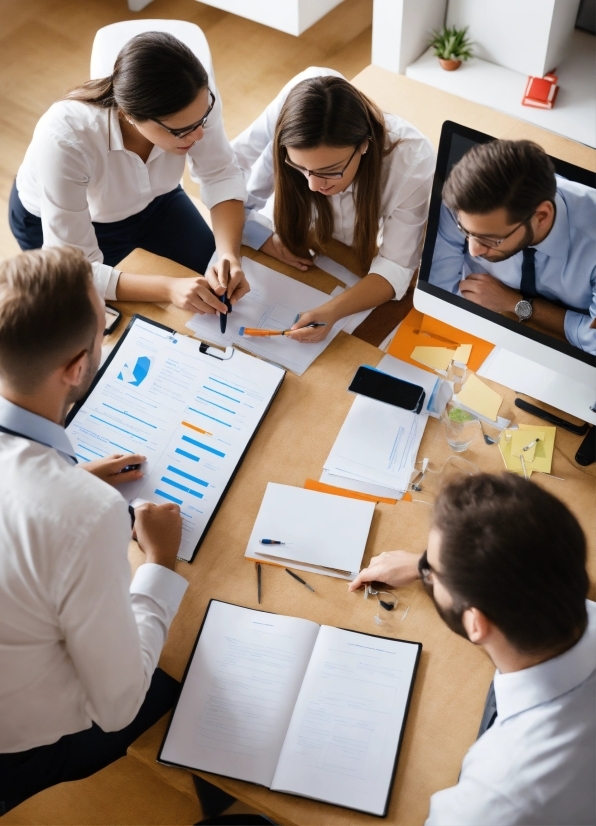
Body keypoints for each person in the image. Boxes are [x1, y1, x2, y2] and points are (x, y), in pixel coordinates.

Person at [0, 247, 189, 812]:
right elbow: (117, 704)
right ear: (78, 368)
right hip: (14, 750)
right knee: (180, 674)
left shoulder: (67, 500)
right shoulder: (86, 514)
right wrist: (158, 565)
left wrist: (62, 477)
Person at [350, 473, 595, 826]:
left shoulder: (492, 801)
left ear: (476, 625)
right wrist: (440, 569)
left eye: (431, 572)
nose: (425, 571)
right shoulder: (565, 593)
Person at [9, 32, 249, 318]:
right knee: (124, 320)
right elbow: (78, 270)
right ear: (128, 114)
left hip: (156, 200)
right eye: (181, 131)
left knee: (213, 284)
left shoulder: (195, 101)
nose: (199, 135)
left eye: (202, 121)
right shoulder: (65, 138)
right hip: (66, 221)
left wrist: (228, 256)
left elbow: (220, 174)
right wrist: (167, 288)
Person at [232, 67, 435, 342]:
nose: (314, 185)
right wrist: (262, 238)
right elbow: (229, 178)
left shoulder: (413, 162)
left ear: (364, 145)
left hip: (355, 258)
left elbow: (396, 267)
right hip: (309, 242)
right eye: (300, 168)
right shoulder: (293, 108)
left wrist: (332, 311)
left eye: (331, 170)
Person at [428, 139, 596, 354]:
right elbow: (441, 292)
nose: (473, 250)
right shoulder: (465, 200)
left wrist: (517, 304)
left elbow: (593, 340)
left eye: (489, 239)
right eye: (465, 231)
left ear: (541, 216)